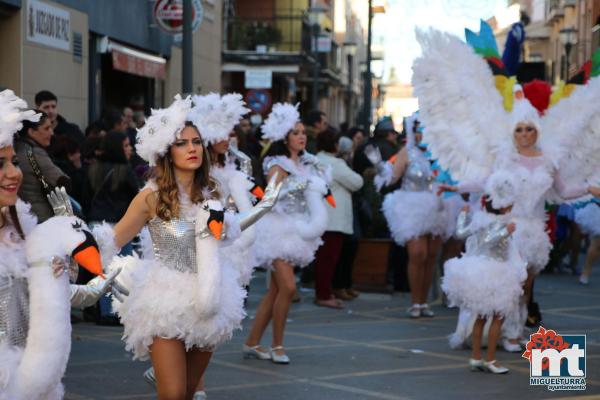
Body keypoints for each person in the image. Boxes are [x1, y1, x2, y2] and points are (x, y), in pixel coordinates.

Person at [412, 28, 600, 351]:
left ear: (536, 131)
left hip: (533, 230)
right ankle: (497, 333)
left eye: (529, 129)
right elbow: (483, 183)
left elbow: (564, 190)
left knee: (525, 284)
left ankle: (514, 332)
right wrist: (453, 185)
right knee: (506, 284)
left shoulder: (548, 161)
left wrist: (591, 188)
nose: (524, 134)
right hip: (505, 229)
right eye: (520, 129)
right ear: (513, 131)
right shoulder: (503, 158)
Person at [105, 95, 278, 400]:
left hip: (209, 297)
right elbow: (113, 239)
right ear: (167, 152)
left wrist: (263, 207)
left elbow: (227, 231)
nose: (192, 149)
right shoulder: (151, 197)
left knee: (187, 393)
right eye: (181, 143)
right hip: (164, 299)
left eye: (196, 142)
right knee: (172, 393)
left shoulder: (214, 190)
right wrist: (68, 251)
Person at [0, 89, 120, 399]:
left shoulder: (22, 233)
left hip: (32, 376)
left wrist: (87, 285)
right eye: (1, 164)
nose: (13, 173)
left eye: (13, 162)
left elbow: (40, 300)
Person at [244, 103, 331, 364]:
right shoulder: (277, 164)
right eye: (295, 132)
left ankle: (251, 342)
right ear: (285, 137)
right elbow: (270, 198)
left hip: (297, 230)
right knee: (289, 288)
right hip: (276, 230)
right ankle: (277, 345)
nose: (301, 136)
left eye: (303, 132)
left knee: (275, 291)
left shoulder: (305, 163)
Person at [442, 193, 526, 374]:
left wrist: (463, 215)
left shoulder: (479, 220)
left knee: (481, 317)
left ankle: (476, 357)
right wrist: (506, 231)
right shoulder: (501, 223)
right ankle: (490, 360)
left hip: (480, 271)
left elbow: (460, 233)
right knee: (498, 317)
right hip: (495, 273)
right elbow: (489, 241)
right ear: (502, 206)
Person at [370, 114, 445, 318]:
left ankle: (424, 302)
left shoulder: (440, 153)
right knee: (417, 254)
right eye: (418, 130)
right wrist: (378, 164)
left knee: (430, 257)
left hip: (437, 207)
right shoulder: (406, 152)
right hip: (412, 207)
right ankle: (415, 302)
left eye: (425, 129)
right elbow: (391, 177)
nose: (422, 134)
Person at [314, 128, 363, 307]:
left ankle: (325, 291)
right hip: (333, 218)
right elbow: (357, 182)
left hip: (319, 215)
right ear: (335, 145)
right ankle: (324, 295)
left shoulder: (314, 159)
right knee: (328, 259)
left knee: (322, 259)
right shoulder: (335, 163)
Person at [15, 111, 71, 222]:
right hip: (41, 218)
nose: (52, 132)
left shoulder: (15, 150)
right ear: (31, 132)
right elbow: (63, 182)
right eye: (46, 128)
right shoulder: (34, 153)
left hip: (21, 217)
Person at [574, 201, 600, 284]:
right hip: (591, 206)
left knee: (597, 242)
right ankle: (574, 264)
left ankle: (585, 273)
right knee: (576, 238)